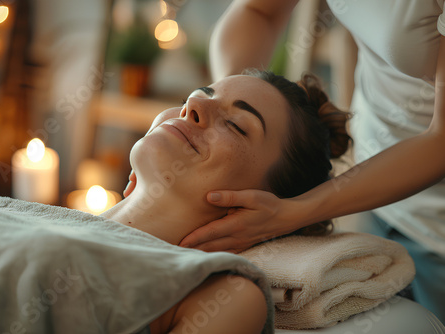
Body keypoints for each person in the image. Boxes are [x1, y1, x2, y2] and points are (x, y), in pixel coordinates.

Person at [146, 0, 444, 323]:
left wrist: (295, 210)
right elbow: (258, 11)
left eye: (237, 127)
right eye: (205, 93)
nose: (192, 105)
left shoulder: (233, 303)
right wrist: (229, 107)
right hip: (376, 177)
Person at [114, 69, 350, 332]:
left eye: (236, 124)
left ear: (258, 207)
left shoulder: (222, 300)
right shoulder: (60, 216)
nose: (193, 105)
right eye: (190, 98)